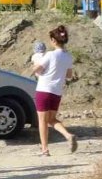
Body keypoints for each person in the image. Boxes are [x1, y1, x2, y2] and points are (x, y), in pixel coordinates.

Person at [31, 25, 77, 156]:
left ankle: (45, 149)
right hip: (57, 92)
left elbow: (36, 69)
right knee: (51, 119)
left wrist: (36, 67)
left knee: (42, 121)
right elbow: (69, 75)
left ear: (53, 40)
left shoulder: (50, 55)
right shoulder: (68, 57)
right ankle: (68, 135)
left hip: (44, 90)